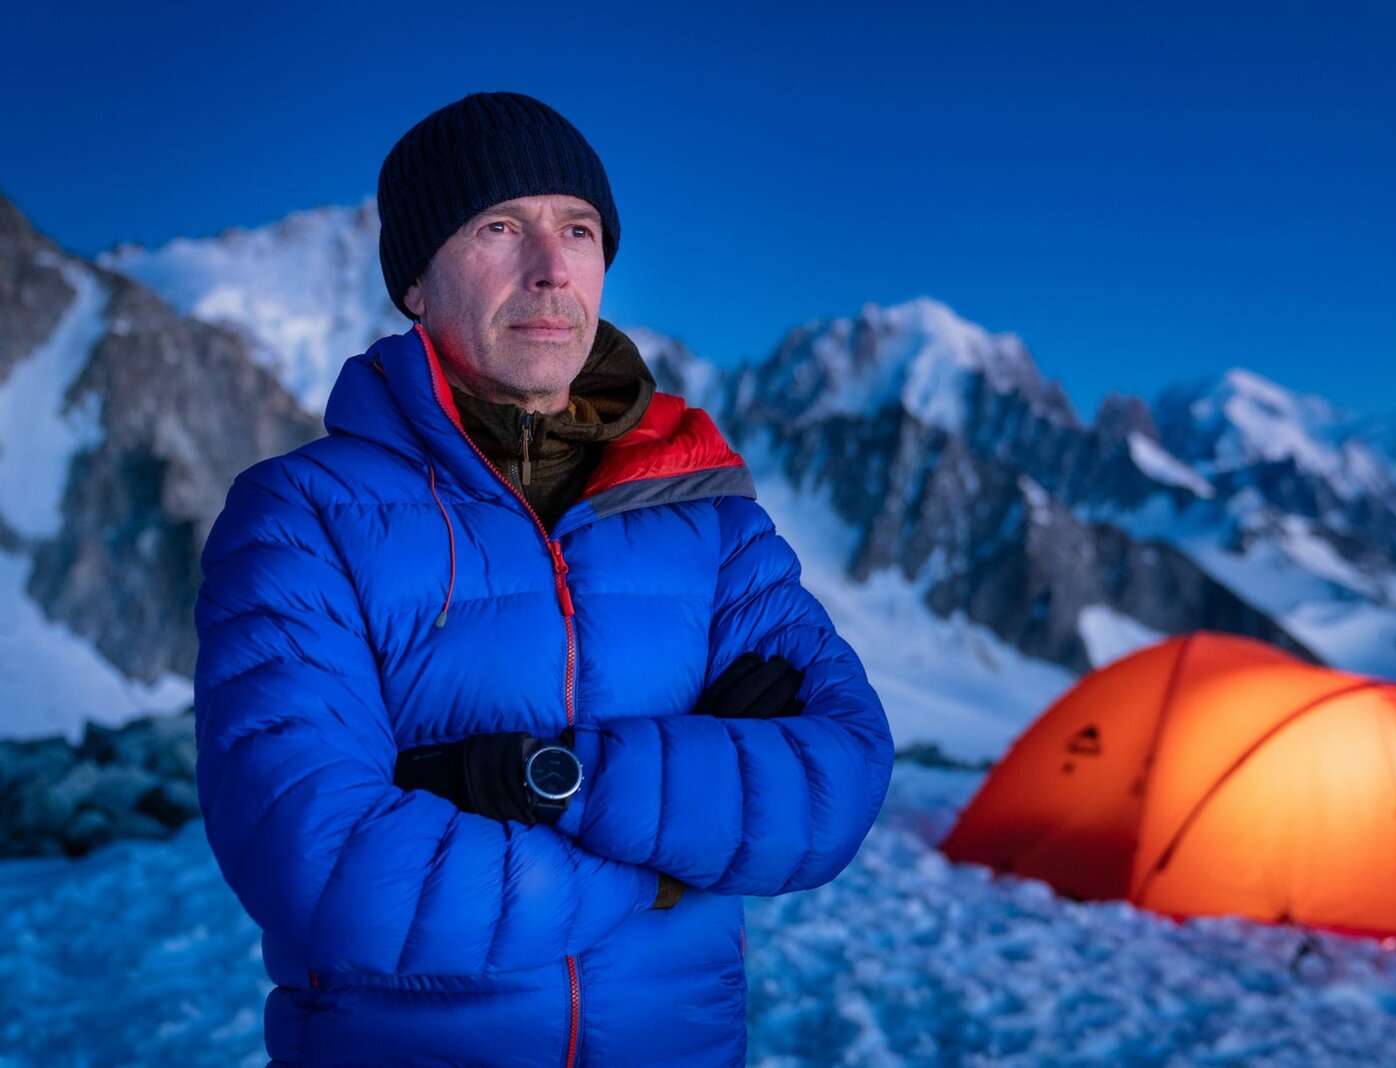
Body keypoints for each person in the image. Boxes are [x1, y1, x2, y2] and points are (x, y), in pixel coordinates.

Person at [193, 91, 894, 1067]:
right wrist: (664, 864)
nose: (551, 268)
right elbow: (323, 865)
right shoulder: (301, 517)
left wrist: (540, 782)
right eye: (498, 227)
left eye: (578, 230)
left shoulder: (707, 513)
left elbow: (837, 776)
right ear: (414, 283)